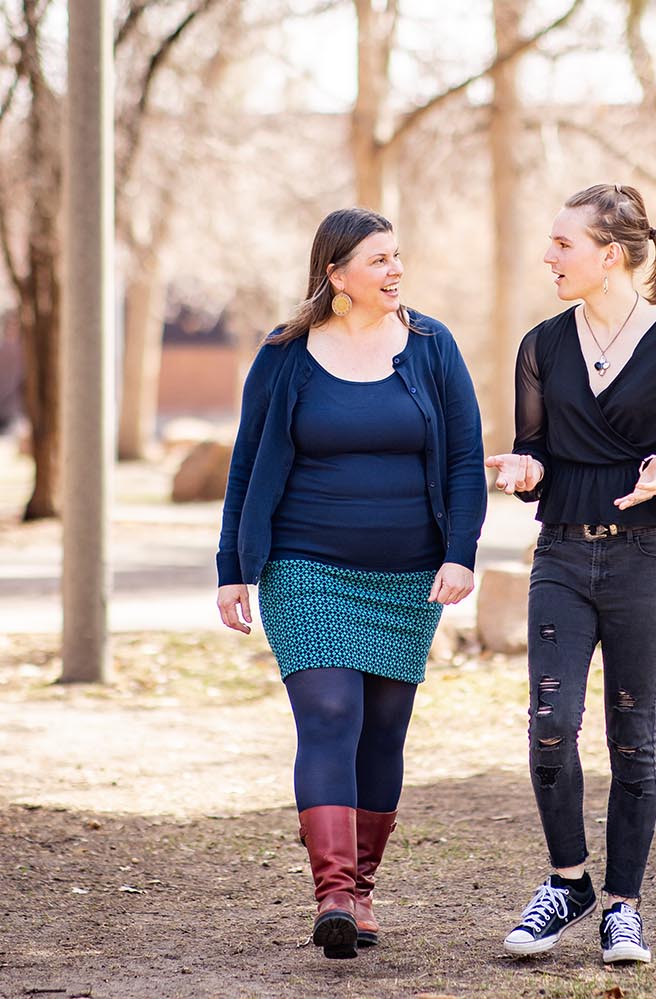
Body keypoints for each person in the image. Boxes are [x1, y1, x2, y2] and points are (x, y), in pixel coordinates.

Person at [215, 208, 485, 960]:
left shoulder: (432, 347)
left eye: (397, 257)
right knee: (331, 712)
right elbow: (245, 467)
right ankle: (332, 892)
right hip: (304, 565)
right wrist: (231, 567)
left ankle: (362, 890)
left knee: (384, 732)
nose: (395, 271)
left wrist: (460, 553)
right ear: (336, 275)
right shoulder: (286, 355)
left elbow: (466, 458)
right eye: (378, 260)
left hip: (407, 576)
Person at [484, 184, 656, 965]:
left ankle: (624, 906)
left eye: (563, 244)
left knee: (633, 742)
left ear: (609, 255)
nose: (548, 256)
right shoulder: (541, 346)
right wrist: (523, 470)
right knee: (550, 727)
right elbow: (538, 452)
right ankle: (567, 883)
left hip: (644, 561)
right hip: (558, 556)